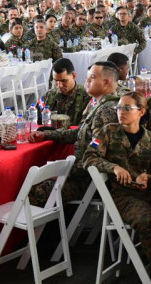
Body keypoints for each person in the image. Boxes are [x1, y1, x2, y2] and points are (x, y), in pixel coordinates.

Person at [82, 92, 151, 282]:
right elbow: (88, 157)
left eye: (127, 108)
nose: (121, 112)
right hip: (123, 196)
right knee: (146, 222)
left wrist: (149, 178)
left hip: (149, 192)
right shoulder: (107, 132)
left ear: (141, 112)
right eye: (119, 108)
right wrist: (113, 167)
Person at [28, 62, 123, 205]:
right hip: (85, 174)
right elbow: (80, 132)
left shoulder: (107, 111)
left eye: (92, 78)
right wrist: (47, 134)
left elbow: (96, 155)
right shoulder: (98, 105)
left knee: (36, 190)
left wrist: (62, 170)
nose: (87, 81)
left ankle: (55, 227)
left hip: (90, 180)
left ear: (106, 82)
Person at [44, 58, 91, 125]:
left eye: (64, 81)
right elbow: (33, 118)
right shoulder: (49, 96)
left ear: (74, 76)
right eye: (56, 81)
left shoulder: (86, 98)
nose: (59, 85)